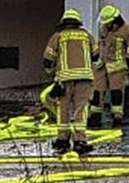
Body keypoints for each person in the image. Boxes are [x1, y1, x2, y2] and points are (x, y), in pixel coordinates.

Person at [42, 9, 100, 155]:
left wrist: (51, 74)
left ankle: (62, 139)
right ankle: (80, 141)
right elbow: (96, 55)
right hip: (84, 79)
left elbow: (47, 60)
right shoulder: (87, 36)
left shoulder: (58, 37)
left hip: (64, 79)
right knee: (81, 109)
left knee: (63, 108)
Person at [90, 5, 129, 127]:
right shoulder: (103, 28)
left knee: (116, 93)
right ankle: (94, 117)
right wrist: (96, 58)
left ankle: (117, 118)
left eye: (108, 23)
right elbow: (101, 44)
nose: (106, 25)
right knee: (97, 91)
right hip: (102, 65)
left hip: (118, 67)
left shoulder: (126, 30)